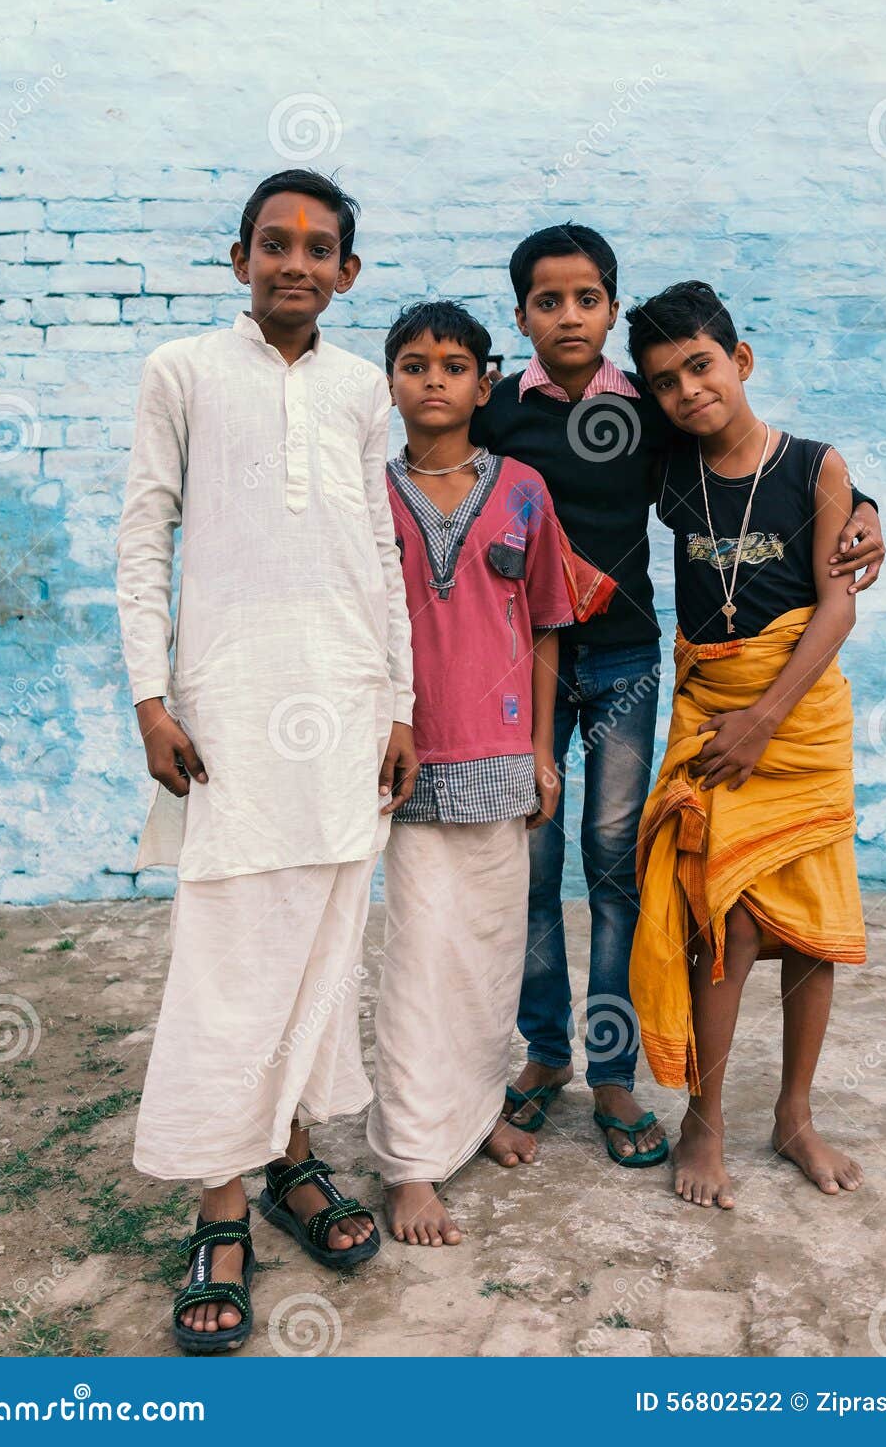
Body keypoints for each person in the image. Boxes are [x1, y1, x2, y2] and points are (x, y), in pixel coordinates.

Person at [470, 225, 886, 1168]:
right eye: (547, 301)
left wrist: (866, 509)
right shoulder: (499, 413)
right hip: (518, 670)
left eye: (586, 299)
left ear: (611, 310)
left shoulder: (654, 415)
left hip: (626, 664)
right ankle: (544, 1057)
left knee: (616, 866)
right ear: (523, 314)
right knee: (534, 869)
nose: (568, 316)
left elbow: (777, 469)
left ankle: (614, 1073)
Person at [116, 169, 418, 1353]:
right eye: (274, 243)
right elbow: (145, 533)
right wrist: (151, 693)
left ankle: (292, 1161)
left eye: (320, 248)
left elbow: (382, 558)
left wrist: (397, 702)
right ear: (238, 257)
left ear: (347, 273)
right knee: (231, 953)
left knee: (319, 945)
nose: (296, 262)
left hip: (343, 705)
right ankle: (219, 1206)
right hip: (230, 706)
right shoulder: (180, 373)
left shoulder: (357, 389)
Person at [627, 280, 867, 1211]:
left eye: (700, 365)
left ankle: (795, 1116)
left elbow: (835, 603)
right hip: (707, 717)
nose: (687, 390)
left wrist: (764, 719)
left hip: (795, 721)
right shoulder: (668, 472)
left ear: (740, 361)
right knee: (720, 920)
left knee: (811, 931)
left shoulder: (813, 467)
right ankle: (704, 1120)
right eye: (664, 381)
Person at [366, 301, 573, 1245]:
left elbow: (539, 629)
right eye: (414, 364)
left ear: (484, 385)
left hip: (499, 757)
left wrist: (539, 752)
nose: (434, 379)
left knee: (492, 953)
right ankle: (411, 1160)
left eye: (454, 365)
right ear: (391, 383)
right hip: (404, 759)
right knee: (418, 960)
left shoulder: (523, 489)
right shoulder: (367, 491)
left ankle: (481, 1107)